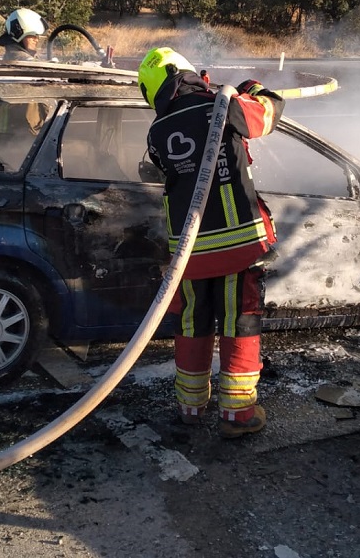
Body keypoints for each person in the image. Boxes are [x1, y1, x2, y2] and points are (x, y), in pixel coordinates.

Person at [138, 46, 285, 438]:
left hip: (189, 251)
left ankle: (190, 406)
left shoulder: (157, 132)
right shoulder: (222, 106)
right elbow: (270, 113)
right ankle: (237, 415)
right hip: (237, 247)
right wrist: (251, 88)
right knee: (239, 322)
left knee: (192, 322)